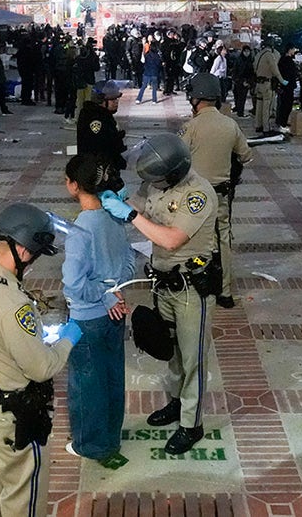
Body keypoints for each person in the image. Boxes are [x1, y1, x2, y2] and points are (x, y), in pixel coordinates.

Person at [0, 202, 82, 517]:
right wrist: (67, 339)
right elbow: (42, 367)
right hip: (13, 418)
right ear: (22, 250)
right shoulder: (13, 304)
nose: (32, 263)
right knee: (24, 492)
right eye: (34, 255)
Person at [99, 134, 218, 455]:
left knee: (193, 358)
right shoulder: (156, 182)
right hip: (163, 283)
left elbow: (171, 239)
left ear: (174, 173)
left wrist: (131, 216)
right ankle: (178, 404)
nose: (152, 184)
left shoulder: (198, 194)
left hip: (192, 288)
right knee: (173, 351)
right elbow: (135, 204)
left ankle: (192, 424)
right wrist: (114, 200)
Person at [61, 155, 135, 469]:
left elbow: (74, 286)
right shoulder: (115, 219)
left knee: (85, 384)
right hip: (117, 313)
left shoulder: (80, 230)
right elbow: (130, 263)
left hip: (85, 318)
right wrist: (115, 293)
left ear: (74, 186)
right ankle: (111, 437)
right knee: (112, 376)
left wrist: (104, 295)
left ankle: (91, 445)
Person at [181, 74, 254, 309]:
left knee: (192, 238)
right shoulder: (230, 124)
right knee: (222, 239)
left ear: (197, 98)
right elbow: (246, 155)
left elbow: (178, 159)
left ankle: (197, 286)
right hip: (221, 194)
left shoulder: (190, 127)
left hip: (195, 194)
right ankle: (224, 292)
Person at [77, 81, 127, 171]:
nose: (116, 102)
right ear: (101, 101)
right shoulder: (94, 118)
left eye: (116, 99)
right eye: (112, 100)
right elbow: (99, 146)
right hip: (96, 169)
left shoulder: (102, 115)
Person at [253, 38, 285, 135]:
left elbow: (254, 67)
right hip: (267, 83)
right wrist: (282, 81)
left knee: (259, 105)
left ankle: (258, 125)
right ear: (272, 46)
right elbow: (275, 69)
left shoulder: (258, 54)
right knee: (267, 107)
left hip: (258, 83)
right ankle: (266, 128)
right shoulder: (269, 55)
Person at [275, 46, 300, 133]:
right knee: (286, 105)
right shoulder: (287, 61)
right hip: (287, 86)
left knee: (282, 105)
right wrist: (286, 82)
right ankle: (283, 123)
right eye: (293, 49)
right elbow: (289, 74)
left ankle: (281, 122)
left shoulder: (282, 60)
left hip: (285, 86)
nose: (294, 51)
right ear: (289, 50)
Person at [230, 45, 254, 117]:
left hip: (246, 81)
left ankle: (240, 112)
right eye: (245, 51)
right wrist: (239, 81)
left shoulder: (250, 60)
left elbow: (251, 73)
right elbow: (235, 72)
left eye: (248, 51)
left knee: (242, 98)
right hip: (239, 81)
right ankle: (240, 112)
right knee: (239, 98)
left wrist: (249, 82)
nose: (247, 53)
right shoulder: (239, 60)